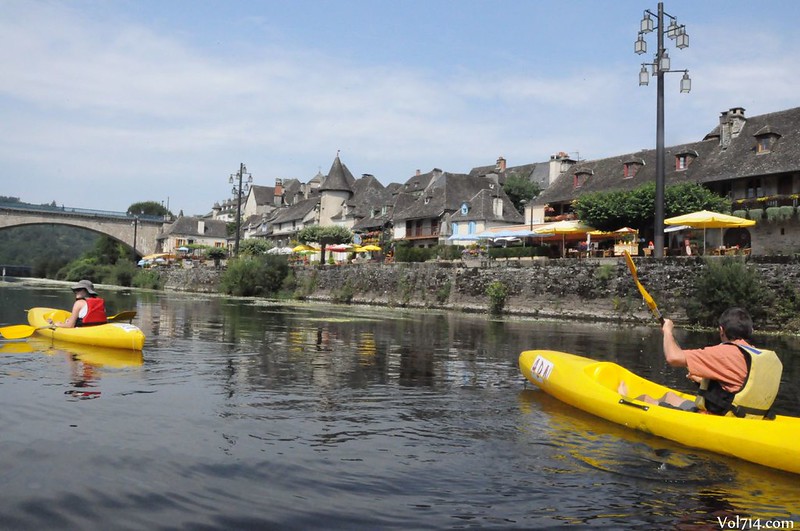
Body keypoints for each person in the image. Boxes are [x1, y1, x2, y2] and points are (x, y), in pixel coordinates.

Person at [619, 307, 783, 417]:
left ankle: (622, 402)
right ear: (749, 331)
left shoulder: (724, 353)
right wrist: (702, 381)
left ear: (721, 330)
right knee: (669, 395)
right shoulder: (757, 354)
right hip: (748, 418)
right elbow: (740, 385)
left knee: (647, 399)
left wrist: (667, 331)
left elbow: (673, 357)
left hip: (718, 421)